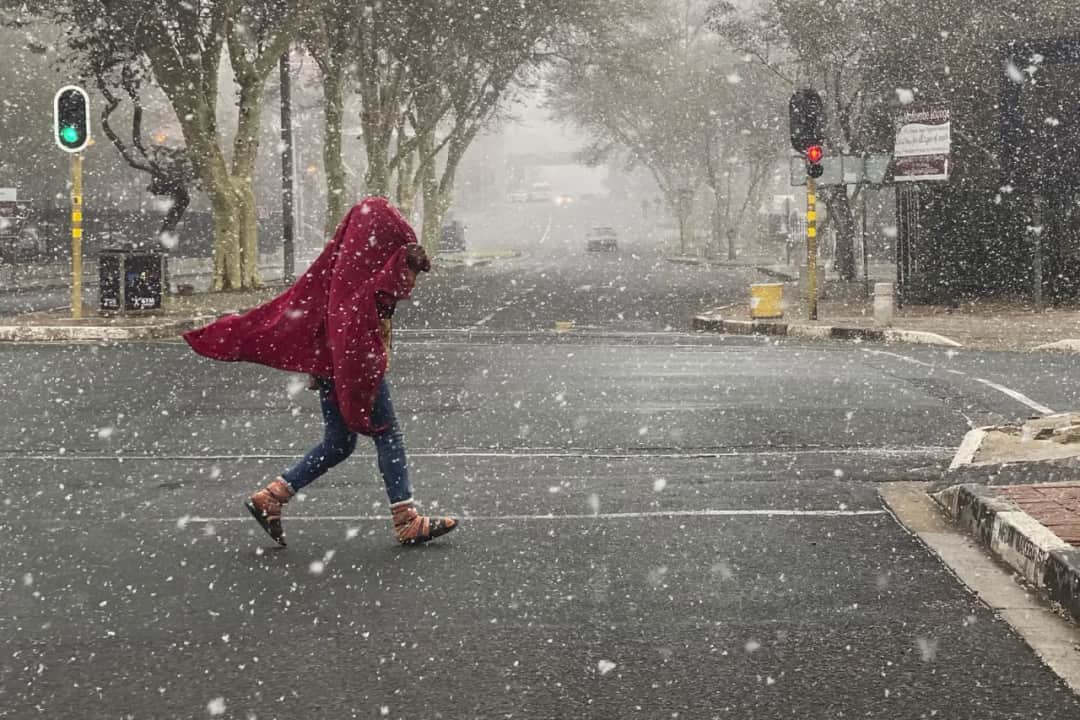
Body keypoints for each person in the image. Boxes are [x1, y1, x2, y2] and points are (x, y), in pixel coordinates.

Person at [183, 197, 458, 547]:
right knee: (388, 433)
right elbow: (359, 322)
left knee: (339, 443)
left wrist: (321, 362)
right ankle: (406, 520)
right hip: (351, 363)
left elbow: (323, 311)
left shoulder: (344, 268)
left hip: (333, 361)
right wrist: (360, 373)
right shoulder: (364, 281)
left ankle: (271, 497)